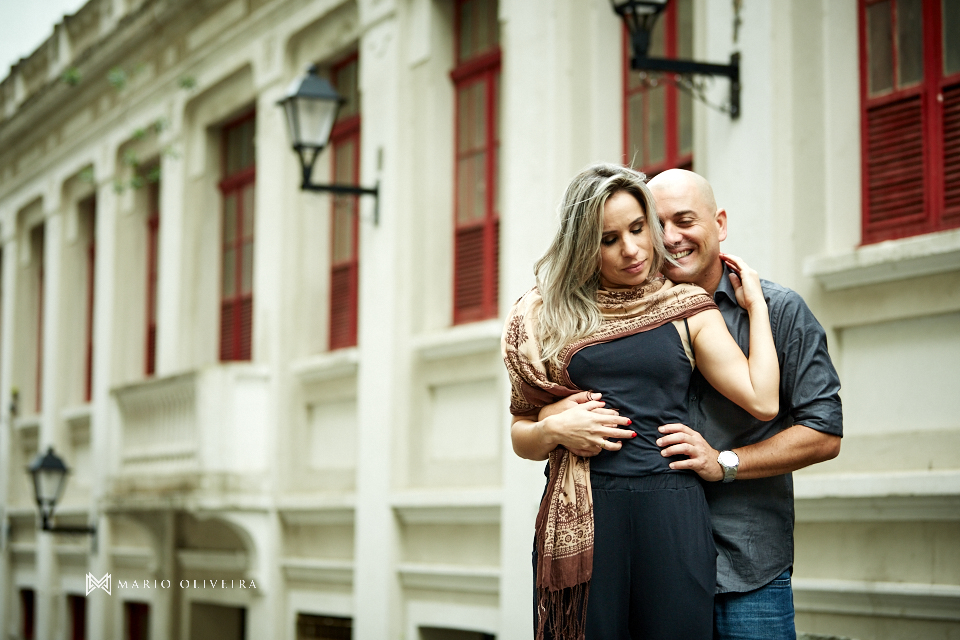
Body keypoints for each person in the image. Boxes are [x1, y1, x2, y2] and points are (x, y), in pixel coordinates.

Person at [547, 169, 843, 640]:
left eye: (685, 220)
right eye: (654, 223)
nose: (669, 238)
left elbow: (824, 433)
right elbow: (555, 403)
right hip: (648, 560)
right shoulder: (625, 315)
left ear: (720, 223)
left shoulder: (778, 309)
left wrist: (725, 462)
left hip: (744, 570)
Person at [502, 163, 781, 640]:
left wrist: (756, 308)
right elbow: (521, 433)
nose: (631, 249)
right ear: (584, 246)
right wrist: (554, 430)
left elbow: (763, 399)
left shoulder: (685, 307)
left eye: (637, 229)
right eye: (609, 239)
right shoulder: (547, 315)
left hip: (671, 512)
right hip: (588, 517)